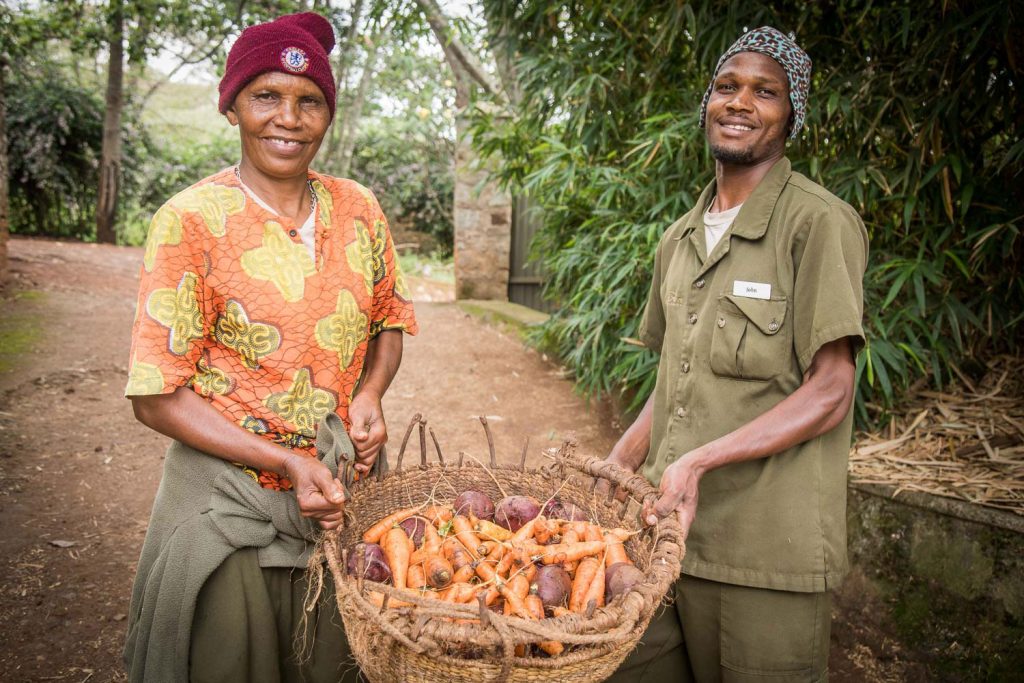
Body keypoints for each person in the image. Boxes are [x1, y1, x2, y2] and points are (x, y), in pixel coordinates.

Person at [121, 12, 417, 682]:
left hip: (340, 501)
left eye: (309, 100)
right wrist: (282, 458)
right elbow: (155, 395)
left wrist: (370, 393)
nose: (289, 118)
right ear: (232, 107)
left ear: (328, 114)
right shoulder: (191, 222)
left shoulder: (358, 210)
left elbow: (388, 320)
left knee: (336, 662)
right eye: (266, 97)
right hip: (229, 507)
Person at [606, 27, 868, 682]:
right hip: (664, 540)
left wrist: (700, 460)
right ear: (706, 104)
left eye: (765, 91)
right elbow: (673, 377)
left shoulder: (816, 223)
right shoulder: (678, 238)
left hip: (763, 559)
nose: (740, 102)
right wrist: (619, 459)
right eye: (727, 86)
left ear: (791, 116)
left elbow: (832, 386)